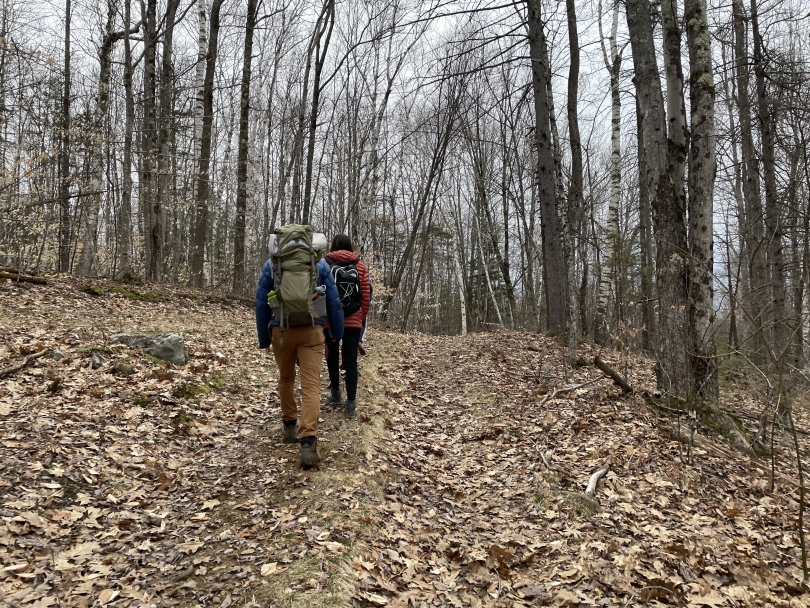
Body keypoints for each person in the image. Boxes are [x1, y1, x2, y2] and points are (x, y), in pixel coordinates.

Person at [255, 246, 344, 468]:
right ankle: (308, 444)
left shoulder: (272, 265)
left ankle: (288, 427)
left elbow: (261, 303)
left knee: (286, 379)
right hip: (312, 331)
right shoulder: (320, 264)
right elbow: (333, 302)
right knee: (311, 386)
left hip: (281, 330)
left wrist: (264, 339)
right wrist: (337, 334)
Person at [323, 234, 371, 418]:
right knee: (350, 360)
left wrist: (323, 316)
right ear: (350, 246)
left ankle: (335, 393)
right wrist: (360, 317)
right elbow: (366, 296)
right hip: (354, 319)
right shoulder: (359, 265)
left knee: (332, 355)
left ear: (333, 246)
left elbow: (320, 292)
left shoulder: (325, 263)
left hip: (331, 318)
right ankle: (351, 404)